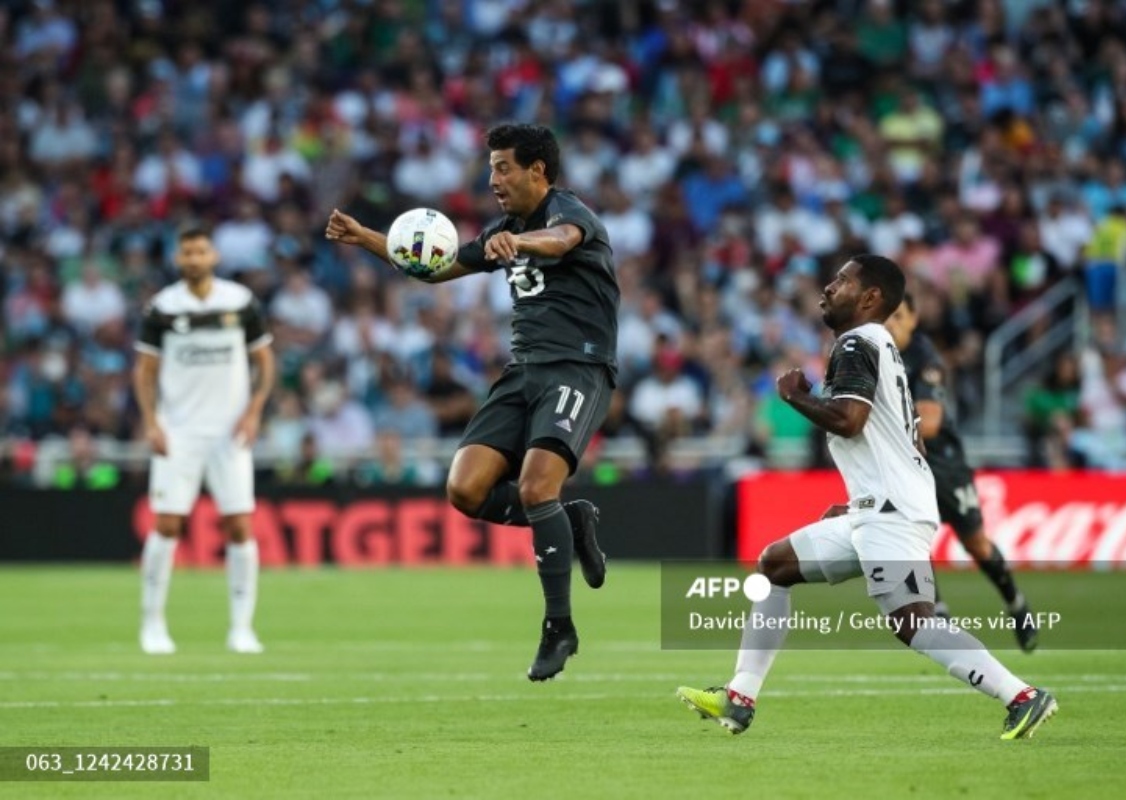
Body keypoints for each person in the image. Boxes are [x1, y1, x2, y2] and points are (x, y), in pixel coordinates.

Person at [676, 255, 1055, 740]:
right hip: (880, 509)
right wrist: (861, 503)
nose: (828, 287)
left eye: (842, 280)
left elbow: (850, 420)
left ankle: (1021, 696)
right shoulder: (883, 347)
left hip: (891, 512)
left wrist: (795, 397)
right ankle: (740, 695)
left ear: (870, 297)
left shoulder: (857, 341)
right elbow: (908, 440)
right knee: (775, 565)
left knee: (912, 622)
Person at [324, 123, 618, 681]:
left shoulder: (570, 213)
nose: (493, 179)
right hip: (522, 370)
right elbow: (437, 269)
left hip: (578, 368)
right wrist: (365, 236)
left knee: (536, 487)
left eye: (503, 167)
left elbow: (560, 243)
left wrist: (519, 244)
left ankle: (560, 627)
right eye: (490, 168)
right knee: (465, 489)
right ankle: (570, 519)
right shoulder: (504, 228)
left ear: (538, 170)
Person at [133, 228, 275, 655]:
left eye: (200, 251)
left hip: (229, 431)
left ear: (213, 255)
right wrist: (151, 422)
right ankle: (152, 624)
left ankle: (241, 628)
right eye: (186, 252)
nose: (194, 258)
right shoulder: (162, 307)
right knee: (168, 523)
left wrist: (253, 411)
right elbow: (144, 371)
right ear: (178, 259)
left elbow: (264, 361)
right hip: (179, 430)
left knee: (239, 525)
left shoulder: (240, 302)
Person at [885, 293, 1039, 651]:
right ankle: (939, 612)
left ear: (913, 318)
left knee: (976, 544)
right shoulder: (878, 355)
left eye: (897, 316)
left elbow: (932, 423)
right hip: (905, 464)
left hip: (944, 464)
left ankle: (1016, 604)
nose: (890, 324)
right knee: (909, 537)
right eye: (884, 317)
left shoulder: (925, 360)